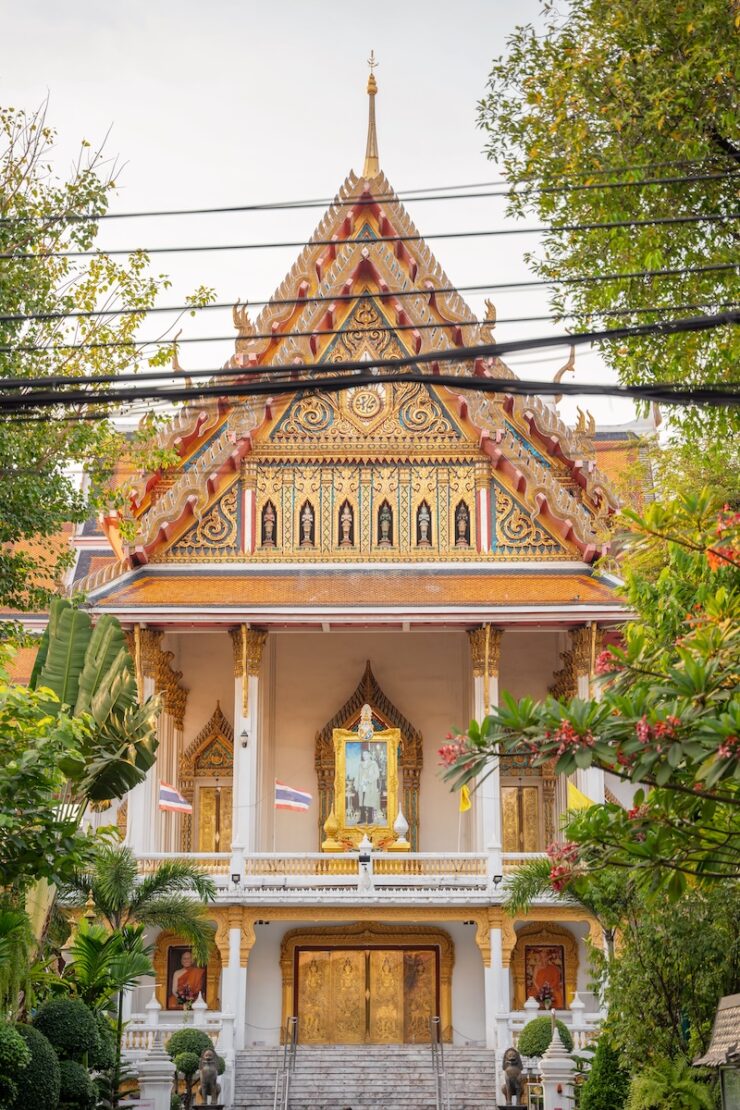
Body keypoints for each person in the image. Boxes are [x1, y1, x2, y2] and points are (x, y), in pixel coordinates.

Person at [355, 749, 381, 823]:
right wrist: (357, 784)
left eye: (366, 754)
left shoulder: (373, 764)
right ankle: (362, 818)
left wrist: (369, 780)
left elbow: (377, 774)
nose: (365, 756)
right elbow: (357, 775)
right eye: (363, 754)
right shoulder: (360, 764)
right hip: (361, 785)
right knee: (361, 801)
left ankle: (370, 819)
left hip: (370, 786)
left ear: (369, 755)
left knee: (370, 801)